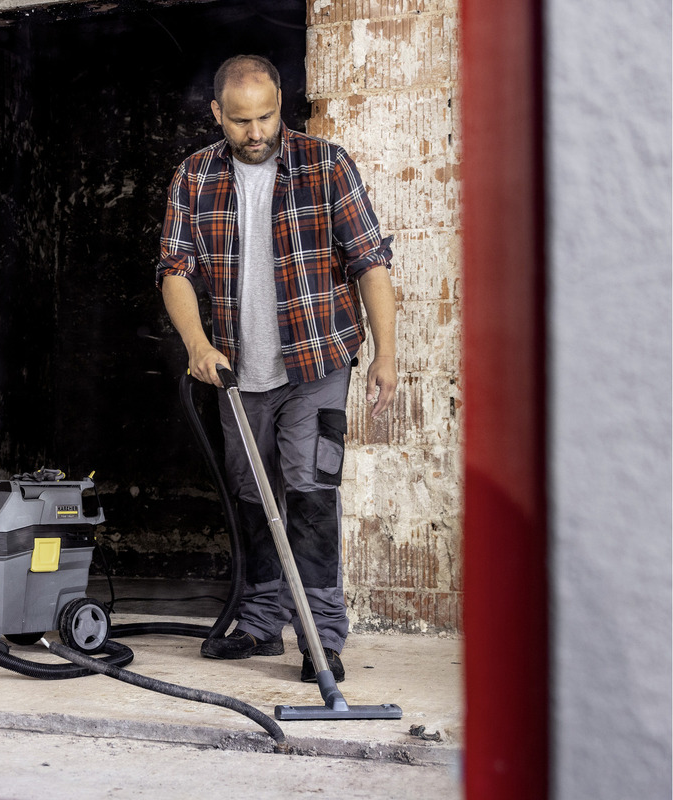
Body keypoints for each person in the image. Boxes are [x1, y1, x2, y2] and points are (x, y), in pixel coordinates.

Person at [156, 54, 398, 683]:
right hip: (239, 372)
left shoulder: (326, 164)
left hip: (317, 360)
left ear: (280, 103)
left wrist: (387, 353)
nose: (256, 132)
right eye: (241, 121)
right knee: (252, 495)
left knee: (311, 494)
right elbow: (175, 270)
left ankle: (322, 638)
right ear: (218, 113)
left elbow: (370, 262)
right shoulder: (194, 176)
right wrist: (196, 344)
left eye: (265, 117)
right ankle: (262, 622)